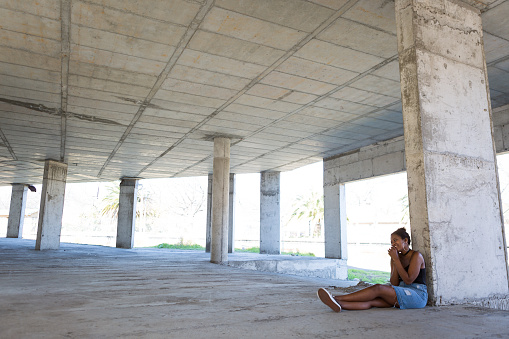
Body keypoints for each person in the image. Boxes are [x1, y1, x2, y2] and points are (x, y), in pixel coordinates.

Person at [317, 227, 427, 312]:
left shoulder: (416, 256)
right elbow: (394, 283)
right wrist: (394, 261)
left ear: (405, 240)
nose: (393, 244)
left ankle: (335, 298)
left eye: (395, 240)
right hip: (400, 292)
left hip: (417, 296)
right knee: (372, 302)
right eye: (391, 242)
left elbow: (408, 280)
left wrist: (396, 260)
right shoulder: (396, 258)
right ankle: (338, 304)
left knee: (378, 288)